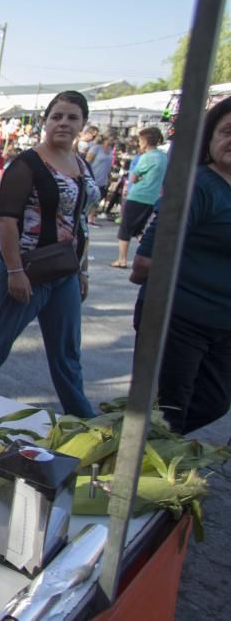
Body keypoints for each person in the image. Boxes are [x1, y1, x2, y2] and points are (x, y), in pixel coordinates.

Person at [0, 91, 98, 418]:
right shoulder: (26, 164)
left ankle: (84, 420)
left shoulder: (80, 164)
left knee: (67, 354)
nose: (64, 123)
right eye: (57, 116)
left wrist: (82, 271)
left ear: (83, 123)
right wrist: (14, 271)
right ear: (45, 121)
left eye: (72, 117)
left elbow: (80, 221)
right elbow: (7, 220)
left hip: (65, 273)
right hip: (28, 272)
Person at [129, 99, 231, 434]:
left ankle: (137, 444)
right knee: (170, 409)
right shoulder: (198, 186)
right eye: (228, 131)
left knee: (214, 401)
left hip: (222, 324)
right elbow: (145, 262)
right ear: (210, 138)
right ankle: (133, 461)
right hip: (179, 318)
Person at [112, 127, 166, 268]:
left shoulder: (147, 157)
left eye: (140, 140)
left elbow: (133, 177)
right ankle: (152, 254)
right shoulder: (163, 156)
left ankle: (122, 259)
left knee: (126, 228)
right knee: (139, 229)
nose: (139, 143)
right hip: (153, 197)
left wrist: (139, 177)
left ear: (146, 141)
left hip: (138, 195)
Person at [85, 135, 114, 226]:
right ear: (105, 138)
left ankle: (91, 217)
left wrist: (109, 177)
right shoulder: (96, 148)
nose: (113, 140)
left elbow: (109, 164)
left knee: (99, 197)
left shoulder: (110, 150)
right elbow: (87, 162)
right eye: (112, 137)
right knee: (89, 197)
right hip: (93, 176)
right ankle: (85, 215)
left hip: (103, 177)